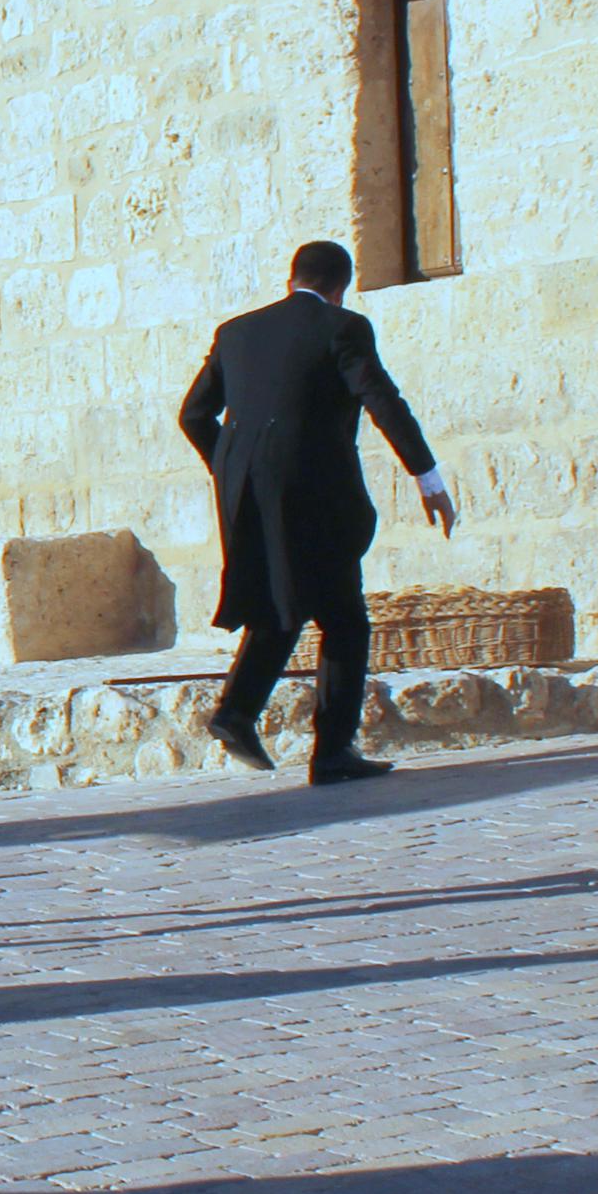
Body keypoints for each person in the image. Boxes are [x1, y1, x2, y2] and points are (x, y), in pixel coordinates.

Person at [179, 239, 459, 785]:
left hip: (245, 497)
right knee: (344, 618)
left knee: (284, 599)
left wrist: (233, 468)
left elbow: (193, 414)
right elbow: (382, 400)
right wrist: (427, 477)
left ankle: (237, 712)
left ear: (292, 278)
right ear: (341, 286)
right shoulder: (344, 329)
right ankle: (331, 751)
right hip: (317, 495)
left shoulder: (236, 332)